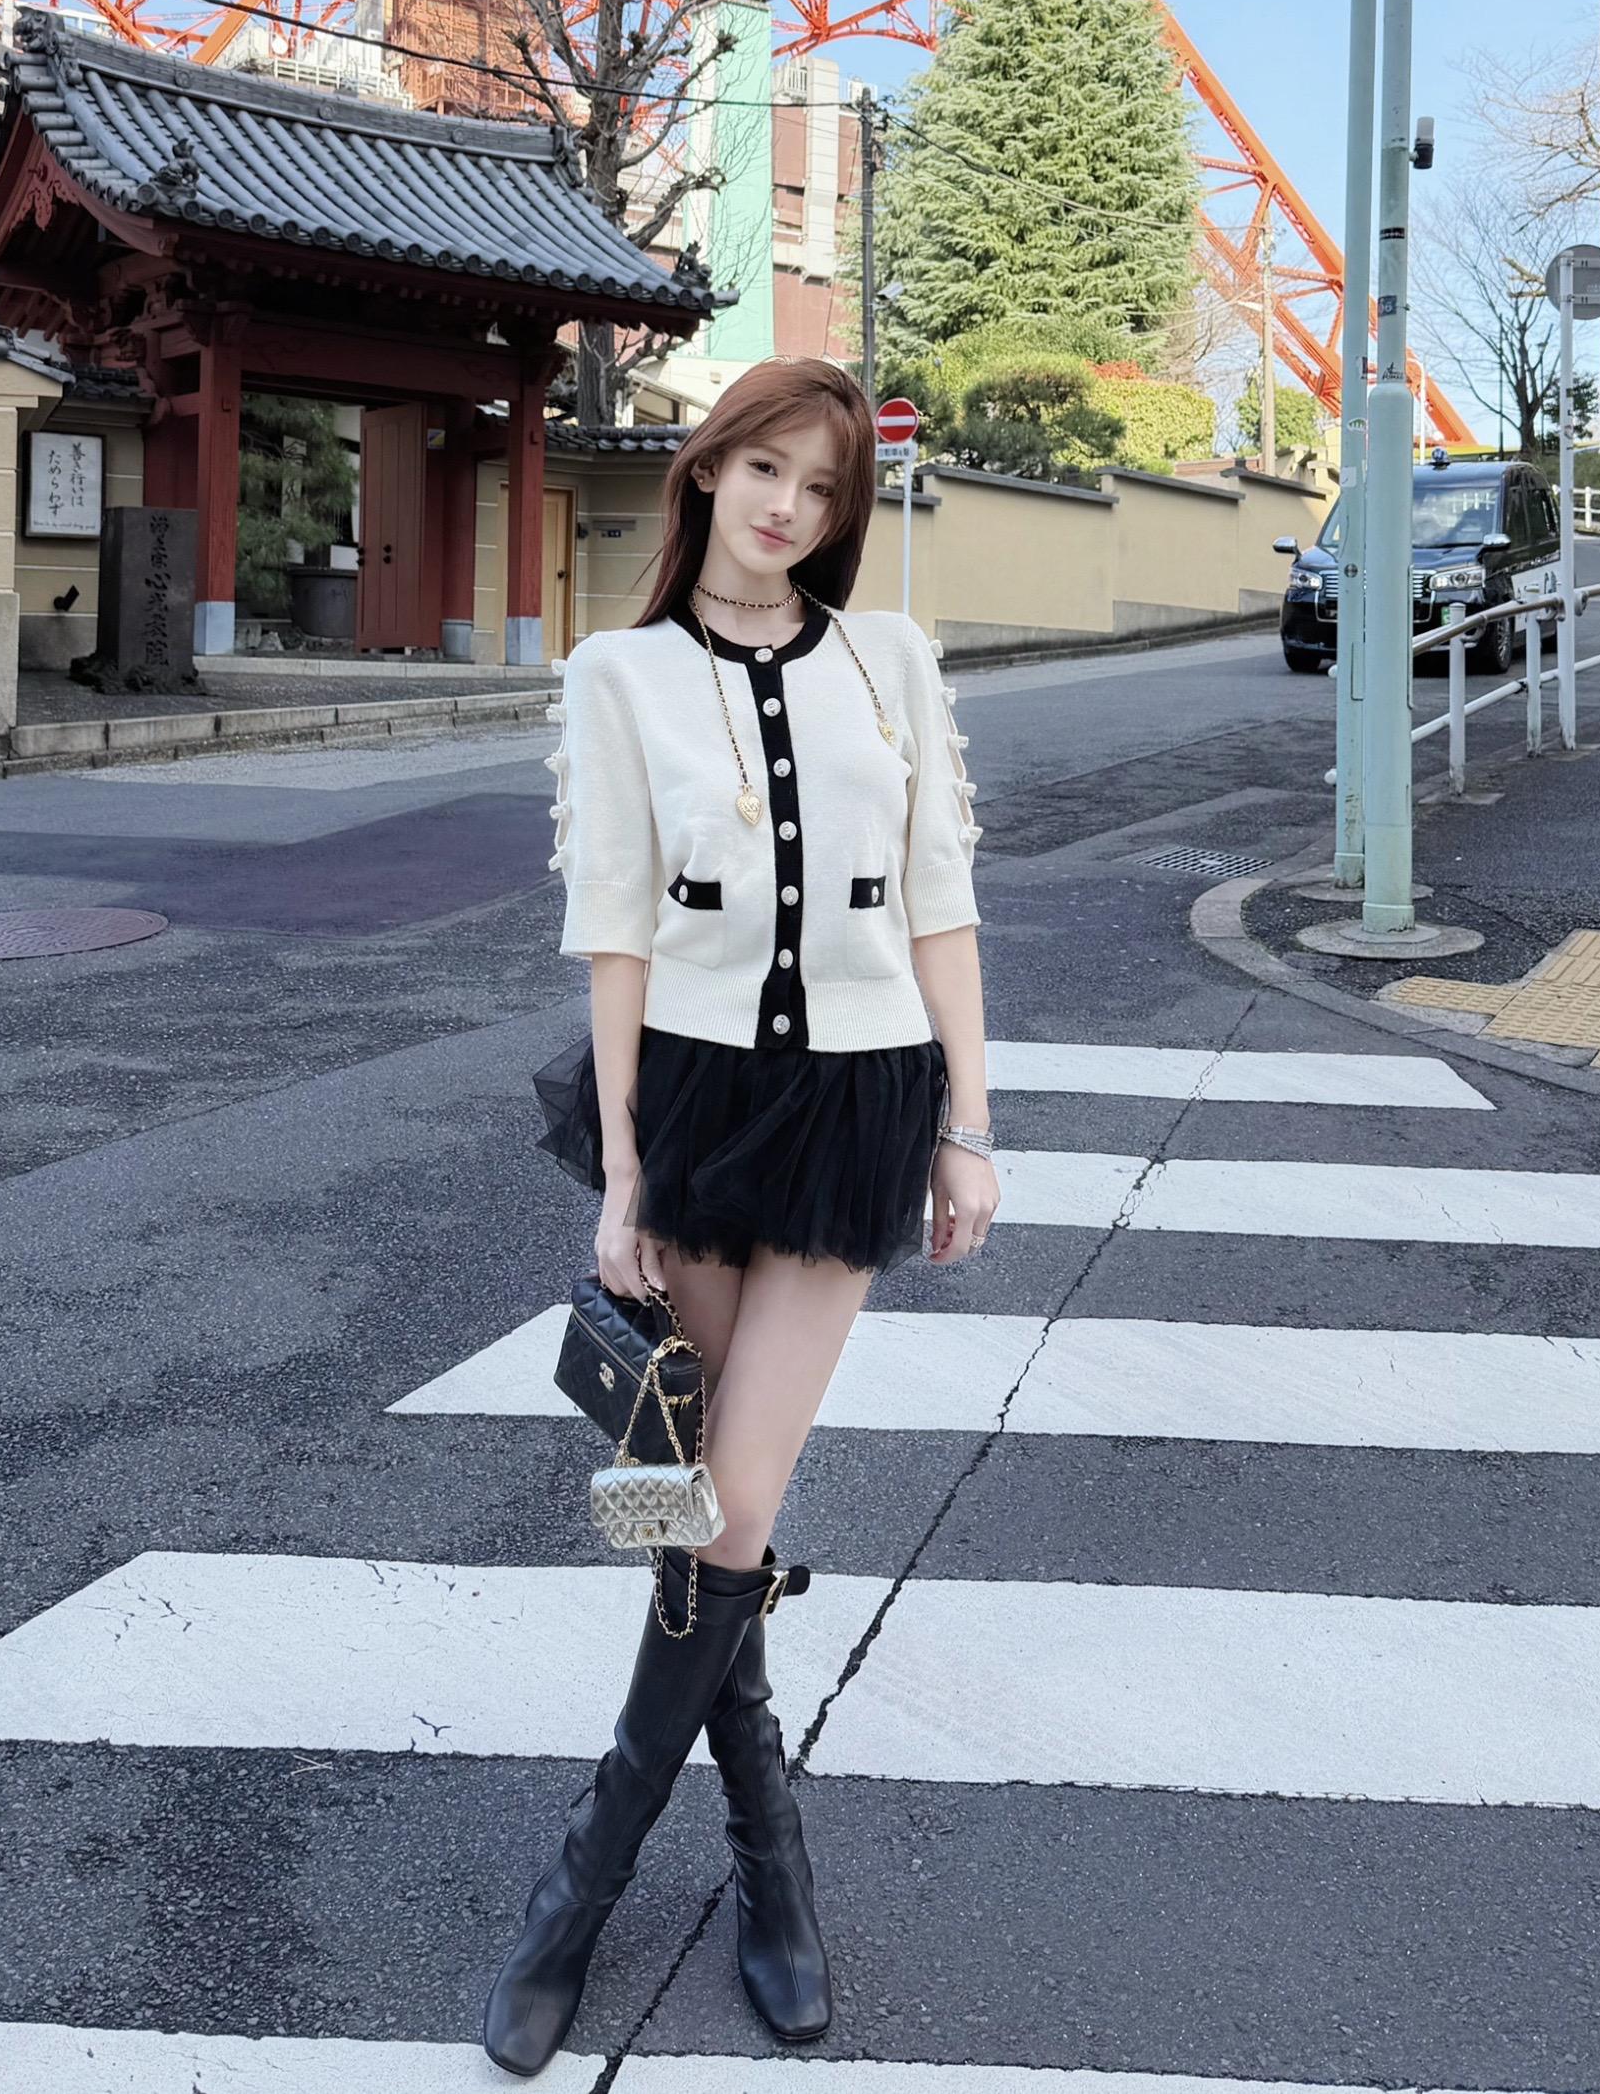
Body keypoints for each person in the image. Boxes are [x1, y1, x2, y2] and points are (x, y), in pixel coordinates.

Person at [483, 357, 998, 2077]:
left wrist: (971, 1128)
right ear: (708, 469)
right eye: (765, 467)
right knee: (699, 1505)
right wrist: (625, 1173)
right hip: (696, 1107)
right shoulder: (616, 674)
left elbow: (940, 904)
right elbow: (614, 929)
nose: (789, 506)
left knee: (738, 1496)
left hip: (859, 1103)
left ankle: (580, 1887)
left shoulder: (891, 658)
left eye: (822, 486)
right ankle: (772, 1866)